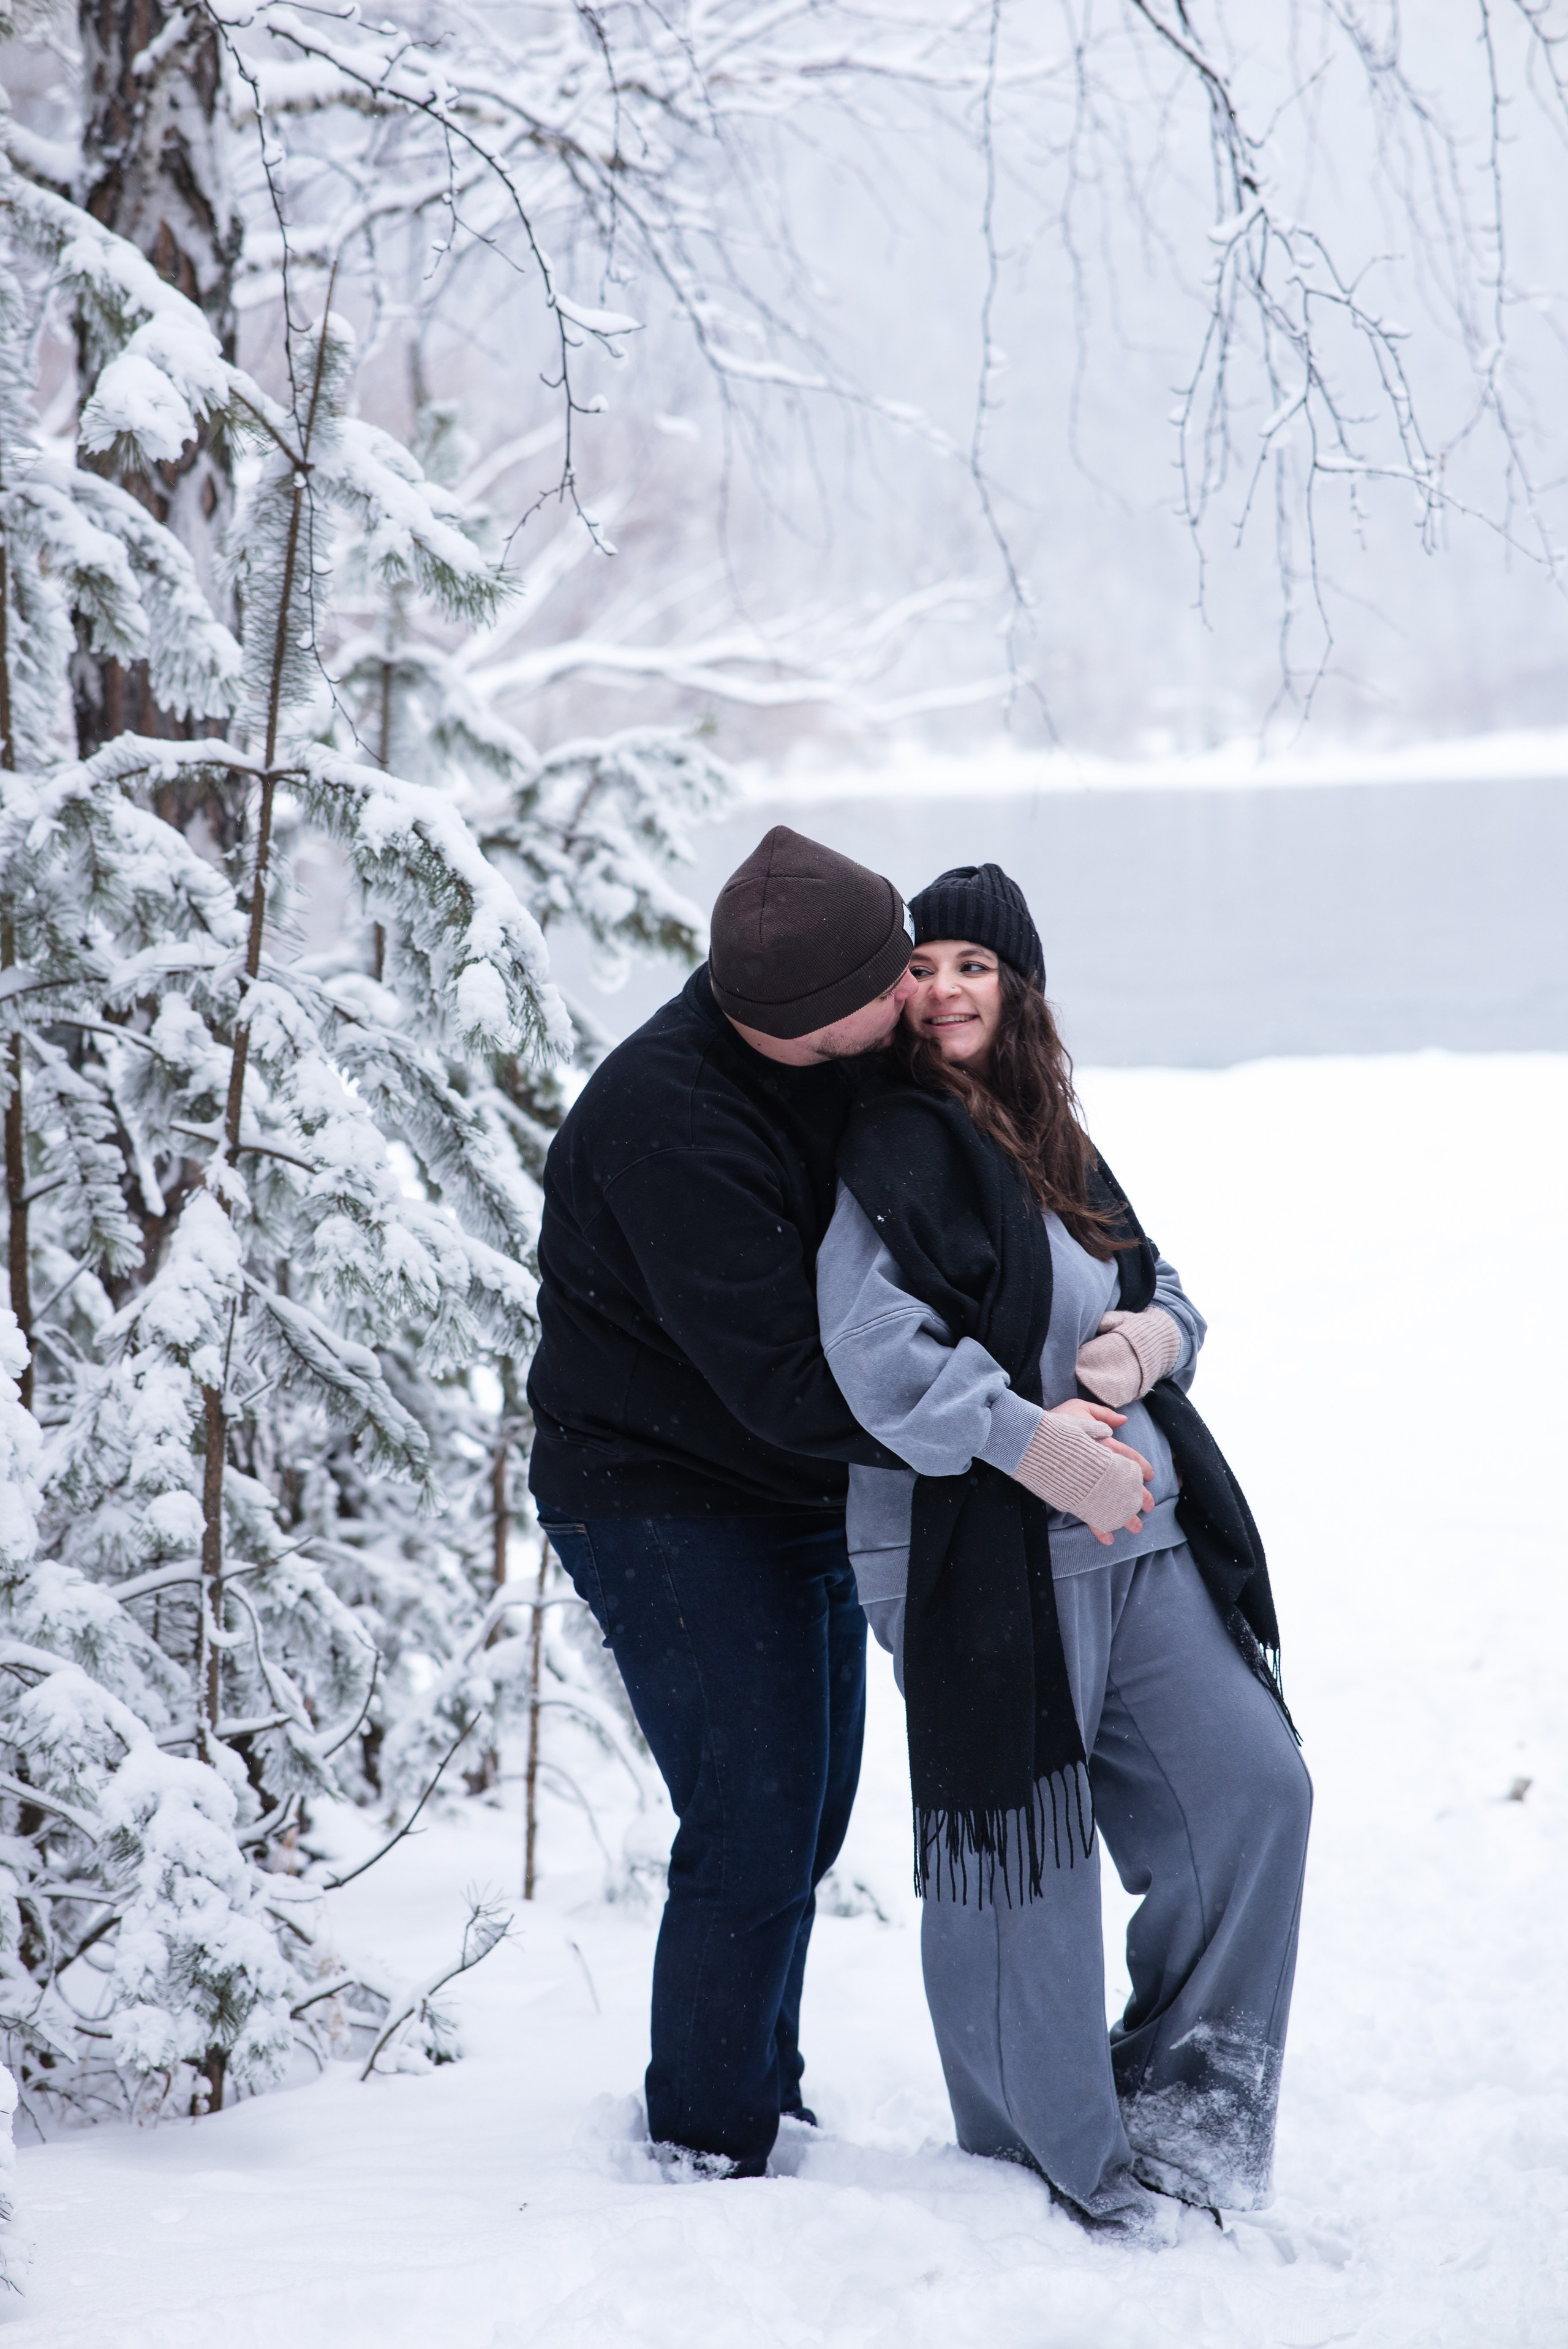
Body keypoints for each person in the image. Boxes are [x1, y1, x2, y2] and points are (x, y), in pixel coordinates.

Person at [816, 861, 1312, 2241]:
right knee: (1021, 1881)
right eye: (921, 965)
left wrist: (1141, 1342)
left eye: (973, 964)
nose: (942, 987)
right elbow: (875, 1361)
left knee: (1252, 1793)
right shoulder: (887, 1149)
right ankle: (1044, 2163)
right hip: (977, 1560)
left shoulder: (1052, 1134)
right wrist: (1044, 1447)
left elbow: (1165, 1289)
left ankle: (1184, 2111)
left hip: (1137, 1545)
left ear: (1017, 987)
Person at [527, 824, 916, 2177]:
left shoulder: (846, 1040)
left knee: (802, 1817)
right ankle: (704, 2145)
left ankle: (764, 2089)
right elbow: (786, 1384)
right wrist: (999, 1435)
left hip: (791, 1487)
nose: (914, 998)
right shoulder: (668, 1122)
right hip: (659, 1497)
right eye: (889, 991)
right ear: (792, 1025)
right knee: (752, 1820)